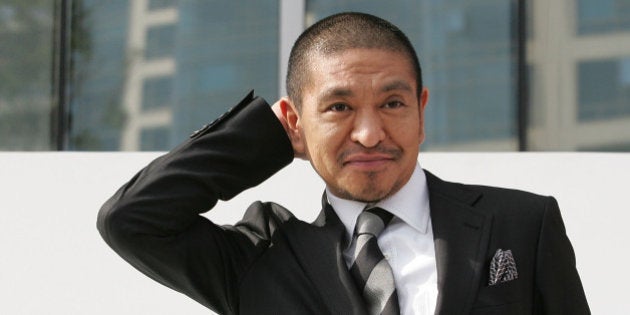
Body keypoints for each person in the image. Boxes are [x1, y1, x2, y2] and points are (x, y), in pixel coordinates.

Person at [97, 12, 590, 315]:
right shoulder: (260, 261)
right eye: (339, 107)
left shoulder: (523, 224)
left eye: (393, 104)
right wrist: (263, 136)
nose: (370, 133)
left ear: (421, 111)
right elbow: (131, 220)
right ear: (295, 122)